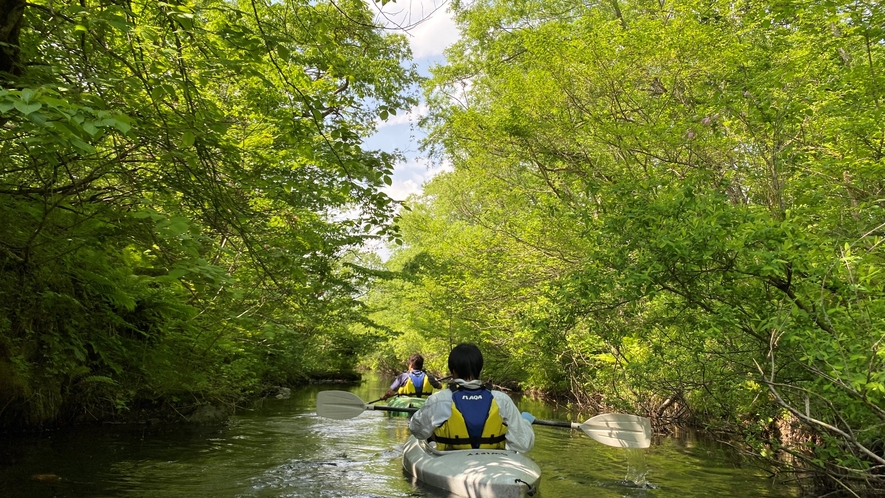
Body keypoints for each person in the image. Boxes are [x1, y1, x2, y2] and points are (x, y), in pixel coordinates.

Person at [408, 343, 535, 453]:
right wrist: (525, 422)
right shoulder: (502, 400)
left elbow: (417, 430)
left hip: (448, 459)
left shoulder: (439, 400)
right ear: (480, 369)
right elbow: (523, 444)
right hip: (494, 461)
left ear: (453, 371)